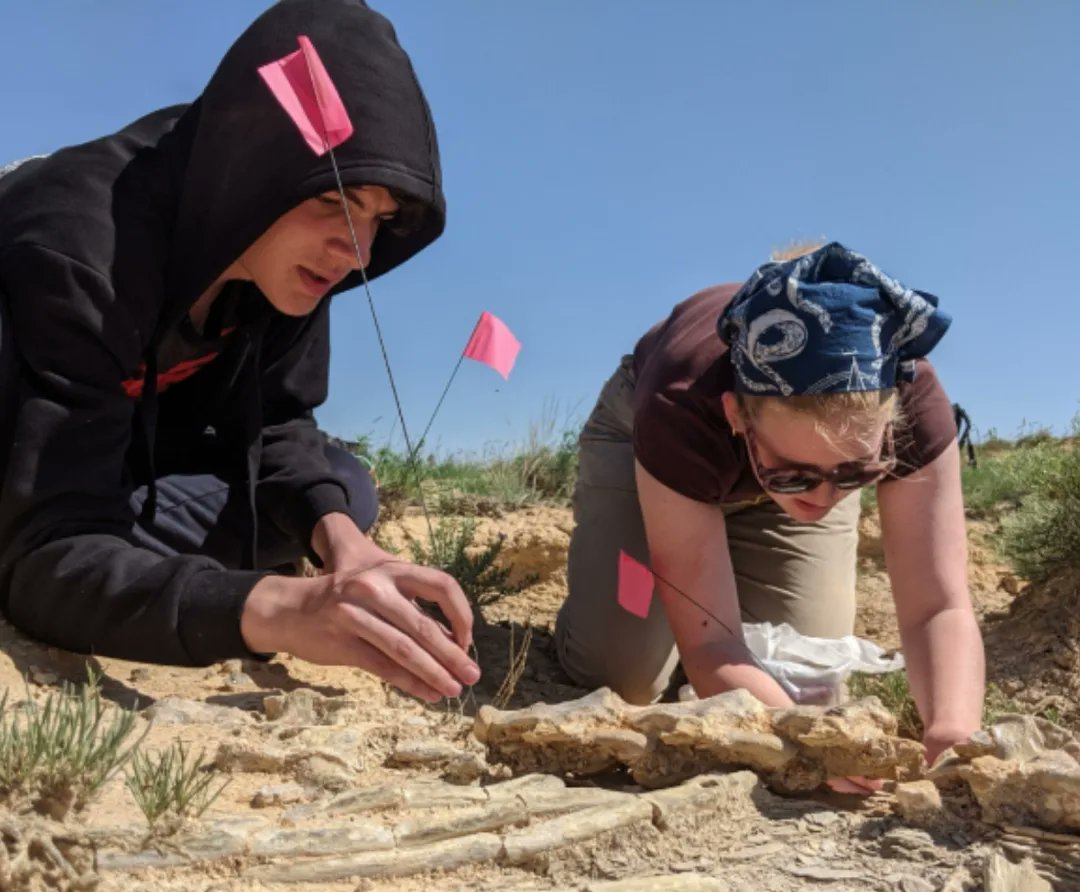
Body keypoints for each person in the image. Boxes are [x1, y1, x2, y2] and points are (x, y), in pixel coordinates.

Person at [0, 0, 479, 705]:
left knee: (343, 488)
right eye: (335, 203)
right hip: (28, 464)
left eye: (379, 219)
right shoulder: (83, 247)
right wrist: (278, 611)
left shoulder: (282, 263)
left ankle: (117, 568)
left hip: (115, 463)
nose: (358, 251)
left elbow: (282, 422)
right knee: (52, 564)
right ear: (256, 170)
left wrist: (341, 543)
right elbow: (48, 542)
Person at [554, 242, 983, 766]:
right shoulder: (681, 402)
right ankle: (617, 604)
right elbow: (713, 649)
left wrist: (953, 731)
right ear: (737, 415)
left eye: (856, 474)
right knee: (626, 674)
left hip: (759, 459)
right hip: (654, 448)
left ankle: (731, 559)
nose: (823, 499)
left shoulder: (910, 400)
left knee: (807, 679)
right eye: (795, 475)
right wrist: (815, 749)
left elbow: (938, 605)